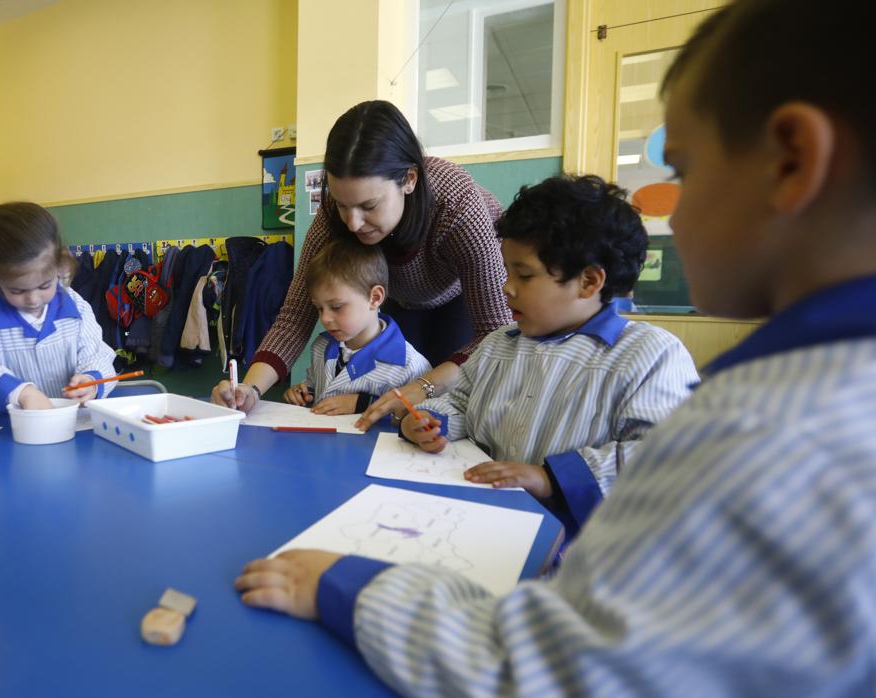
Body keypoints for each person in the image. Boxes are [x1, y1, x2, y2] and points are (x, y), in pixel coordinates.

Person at [233, 2, 876, 695]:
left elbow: (559, 664)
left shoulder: (734, 409)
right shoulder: (514, 347)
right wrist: (430, 418)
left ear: (792, 161)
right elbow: (465, 396)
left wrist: (351, 585)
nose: (676, 212)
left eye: (683, 172)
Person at [399, 175, 697, 539]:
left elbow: (665, 457)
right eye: (507, 271)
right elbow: (461, 403)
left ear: (589, 282)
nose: (506, 287)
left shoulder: (649, 354)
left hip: (577, 548)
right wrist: (428, 423)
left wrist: (549, 479)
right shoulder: (497, 345)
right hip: (480, 524)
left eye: (524, 275)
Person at [212, 101, 510, 423]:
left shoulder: (457, 204)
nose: (353, 223)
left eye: (369, 205)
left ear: (409, 180)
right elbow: (295, 315)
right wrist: (250, 389)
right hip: (395, 296)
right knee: (388, 411)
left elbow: (496, 332)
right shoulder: (334, 215)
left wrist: (422, 387)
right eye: (342, 204)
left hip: (457, 299)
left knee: (438, 411)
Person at [0, 202, 116, 419]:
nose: (33, 299)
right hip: (8, 434)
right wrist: (20, 393)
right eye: (17, 290)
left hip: (71, 427)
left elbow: (97, 354)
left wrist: (91, 381)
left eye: (44, 286)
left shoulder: (75, 306)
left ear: (60, 265)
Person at [282, 237, 432, 415]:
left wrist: (365, 404)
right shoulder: (321, 347)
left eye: (336, 307)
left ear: (375, 298)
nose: (326, 318)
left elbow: (424, 420)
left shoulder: (411, 366)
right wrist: (304, 393)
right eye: (319, 308)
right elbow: (318, 389)